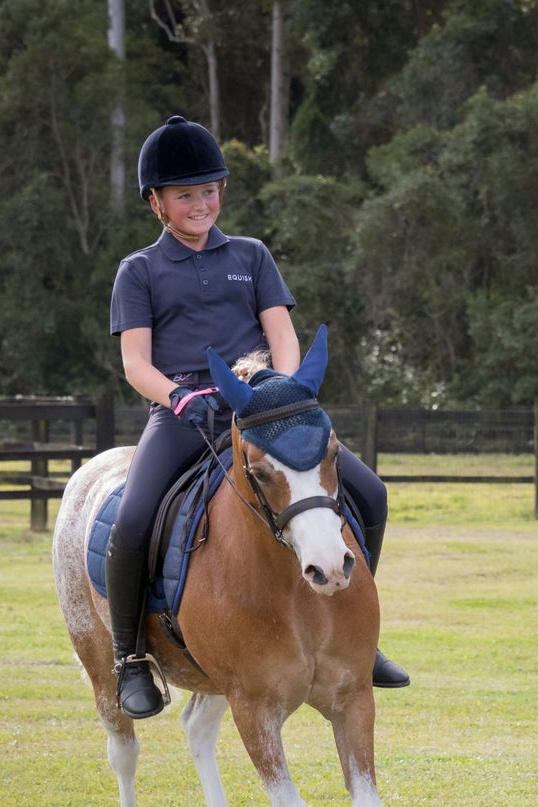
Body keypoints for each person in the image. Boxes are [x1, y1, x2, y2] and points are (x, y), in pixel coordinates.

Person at [106, 115, 409, 719]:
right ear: (156, 202)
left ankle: (357, 634)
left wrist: (283, 389)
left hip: (262, 410)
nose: (201, 203)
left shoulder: (252, 254)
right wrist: (178, 396)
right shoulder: (138, 270)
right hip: (185, 412)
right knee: (134, 518)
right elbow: (135, 362)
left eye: (210, 190)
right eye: (185, 194)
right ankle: (129, 658)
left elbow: (283, 335)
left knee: (369, 494)